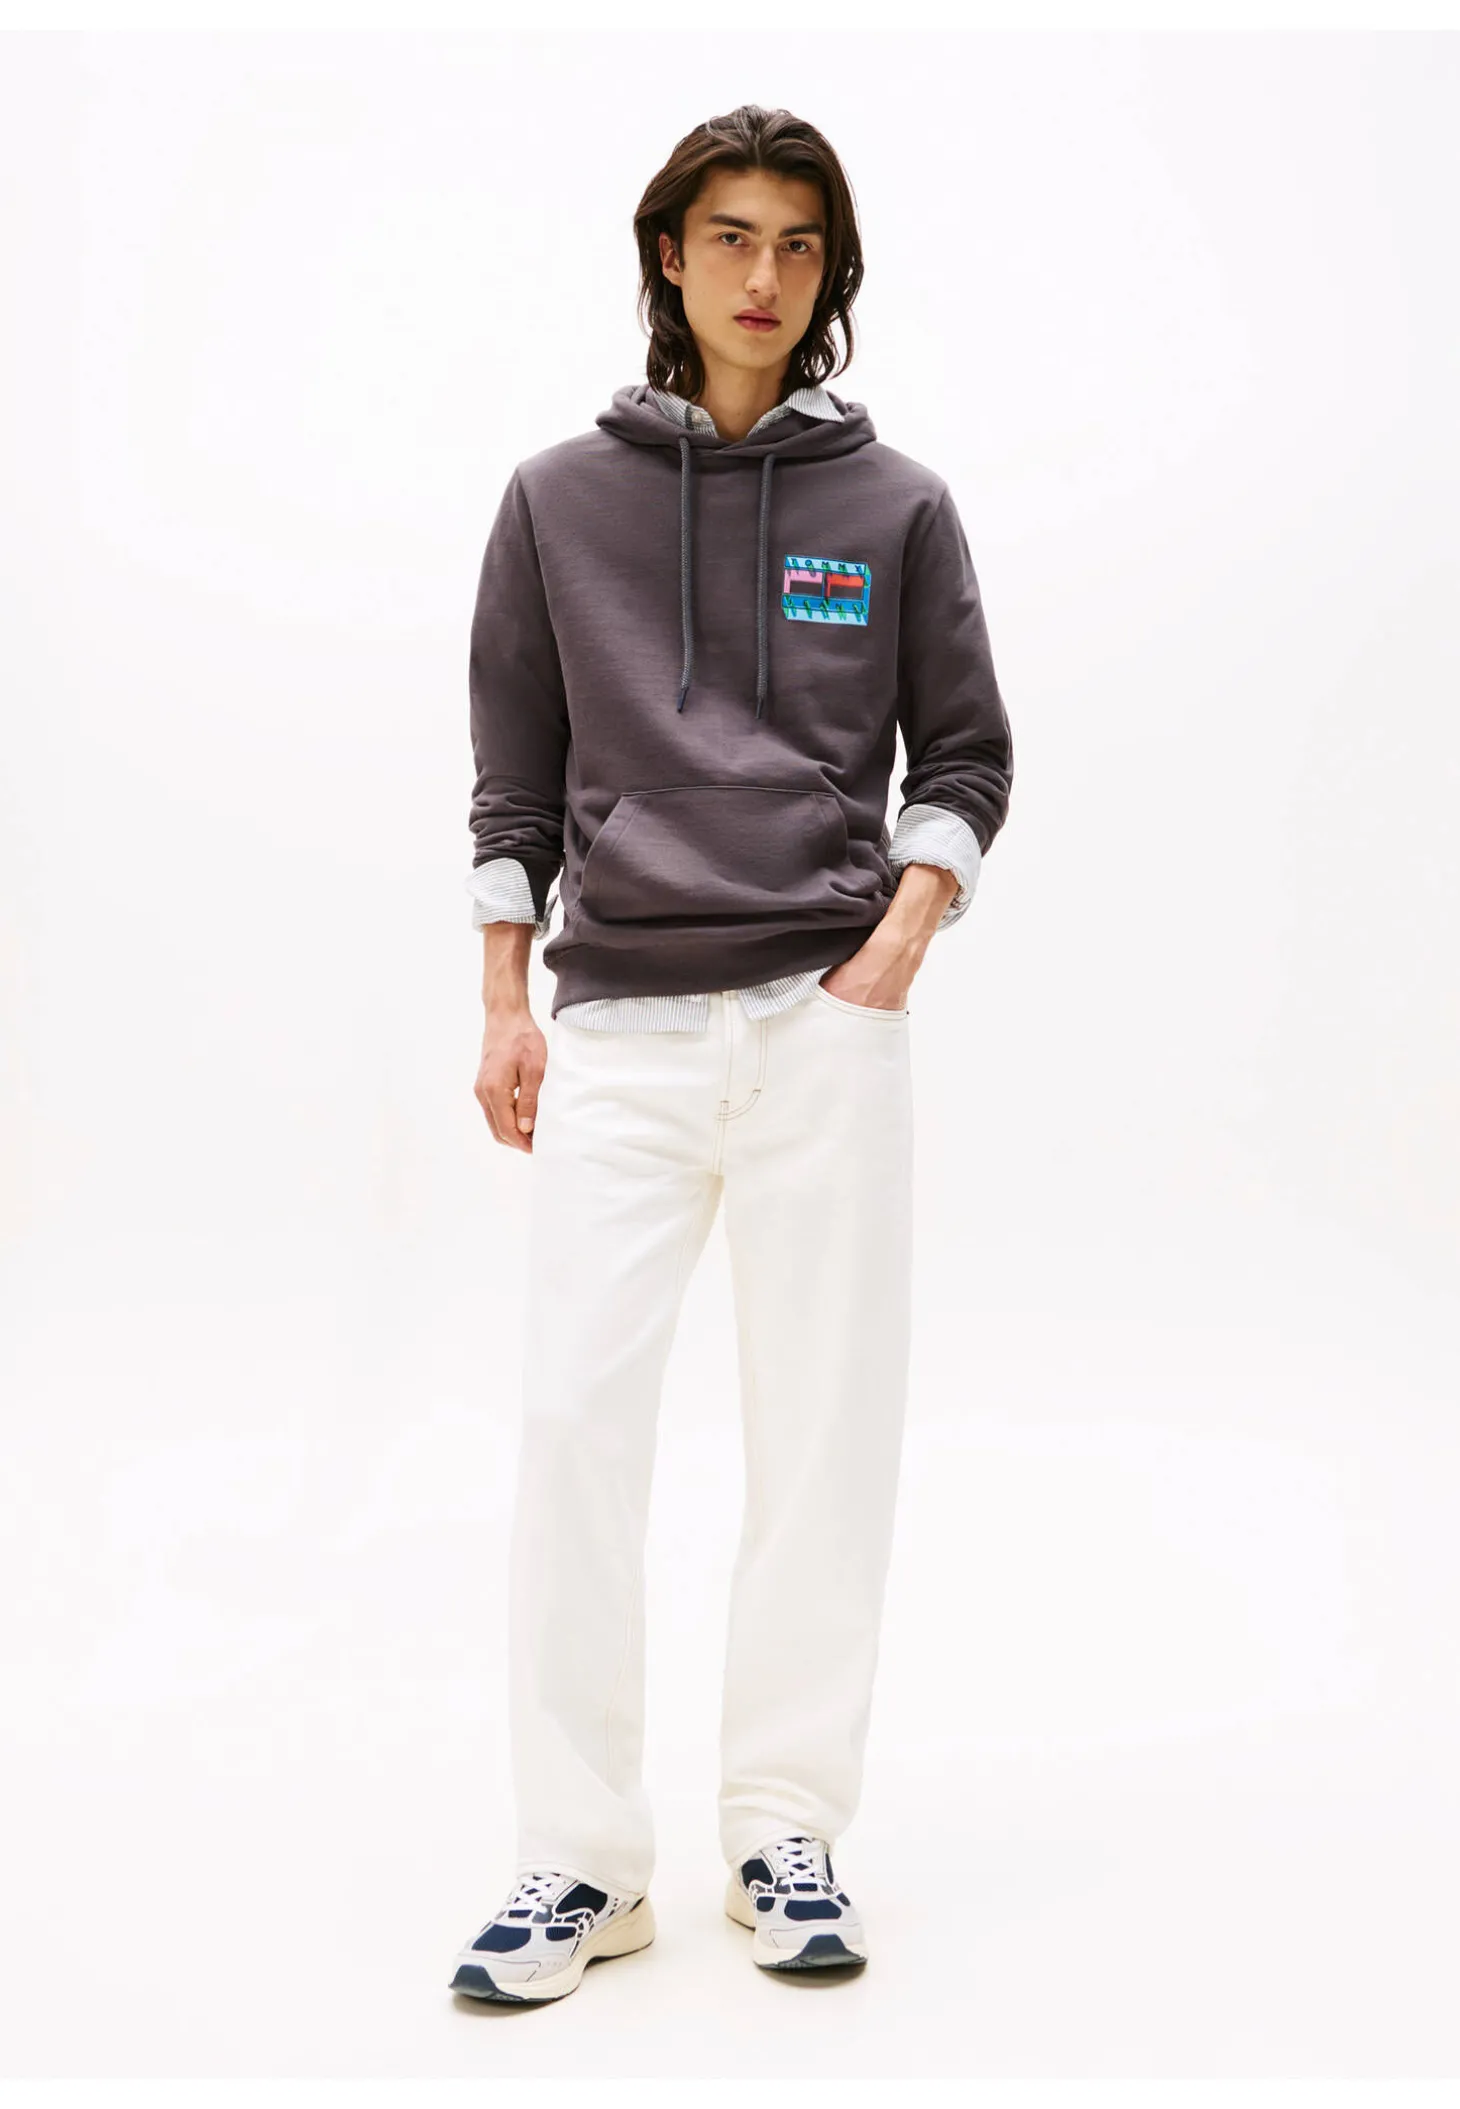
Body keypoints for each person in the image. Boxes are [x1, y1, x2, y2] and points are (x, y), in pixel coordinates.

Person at [448, 103, 1013, 2005]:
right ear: (668, 257)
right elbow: (514, 777)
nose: (763, 276)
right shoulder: (557, 500)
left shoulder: (897, 506)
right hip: (618, 1027)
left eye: (798, 243)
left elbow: (967, 756)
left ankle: (786, 1830)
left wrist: (893, 950)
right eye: (729, 237)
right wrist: (505, 997)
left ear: (828, 272)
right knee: (571, 1432)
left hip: (820, 1028)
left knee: (823, 1440)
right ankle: (579, 1863)